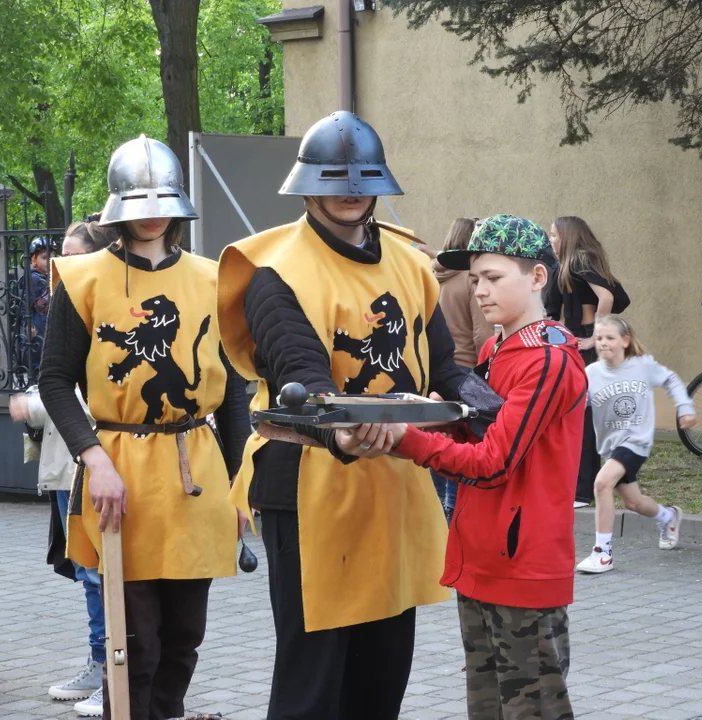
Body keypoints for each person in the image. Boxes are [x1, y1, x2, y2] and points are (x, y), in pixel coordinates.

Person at [217, 110, 467, 720]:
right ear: (307, 185)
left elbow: (442, 365)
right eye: (335, 179)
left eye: (362, 179)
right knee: (312, 687)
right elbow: (304, 381)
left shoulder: (411, 263)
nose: (351, 191)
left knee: (381, 681)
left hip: (396, 483)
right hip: (309, 487)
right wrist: (350, 433)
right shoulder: (274, 270)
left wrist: (482, 402)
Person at [39, 135, 250, 720]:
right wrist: (94, 458)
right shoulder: (82, 280)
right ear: (118, 209)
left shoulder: (213, 278)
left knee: (185, 637)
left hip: (197, 473)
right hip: (120, 475)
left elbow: (233, 391)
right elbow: (55, 380)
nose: (152, 214)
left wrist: (238, 486)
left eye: (162, 201)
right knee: (136, 643)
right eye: (140, 202)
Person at [383, 214, 587, 720]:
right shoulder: (498, 346)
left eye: (493, 278)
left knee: (533, 710)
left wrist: (409, 440)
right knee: (488, 708)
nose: (479, 291)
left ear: (537, 278)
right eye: (474, 280)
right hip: (485, 558)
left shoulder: (549, 359)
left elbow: (494, 465)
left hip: (523, 568)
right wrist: (434, 423)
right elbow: (488, 437)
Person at [9, 216, 118, 717]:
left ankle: (110, 674)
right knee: (85, 568)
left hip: (91, 462)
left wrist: (29, 406)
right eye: (60, 258)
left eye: (73, 257)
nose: (61, 267)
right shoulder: (58, 307)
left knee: (101, 572)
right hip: (61, 463)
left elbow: (79, 390)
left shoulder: (100, 304)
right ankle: (98, 663)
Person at [575, 315, 695, 574]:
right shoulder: (591, 373)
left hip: (636, 441)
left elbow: (671, 380)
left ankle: (603, 553)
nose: (603, 343)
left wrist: (684, 408)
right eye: (598, 339)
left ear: (625, 341)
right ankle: (668, 516)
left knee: (601, 483)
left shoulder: (642, 366)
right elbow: (574, 407)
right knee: (634, 502)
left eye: (610, 338)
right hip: (611, 446)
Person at [546, 216, 628, 506]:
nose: (551, 238)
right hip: (573, 340)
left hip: (583, 342)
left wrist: (595, 337)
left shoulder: (579, 259)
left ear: (568, 236)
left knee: (581, 414)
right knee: (579, 414)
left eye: (554, 234)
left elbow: (606, 297)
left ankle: (582, 490)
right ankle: (585, 484)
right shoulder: (572, 262)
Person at [430, 216, 495, 522]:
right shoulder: (470, 281)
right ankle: (454, 514)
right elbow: (483, 333)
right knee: (461, 444)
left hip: (434, 374)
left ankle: (435, 510)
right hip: (465, 372)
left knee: (437, 441)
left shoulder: (431, 277)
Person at [19, 236, 55, 376]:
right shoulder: (35, 278)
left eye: (52, 257)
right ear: (34, 259)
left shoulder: (43, 276)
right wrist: (29, 324)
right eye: (45, 257)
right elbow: (35, 304)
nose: (49, 261)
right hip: (38, 326)